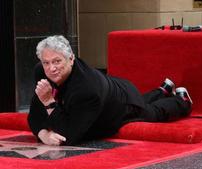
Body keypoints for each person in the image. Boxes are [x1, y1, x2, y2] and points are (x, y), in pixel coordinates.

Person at [28, 35, 192, 146]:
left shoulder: (87, 90)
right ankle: (161, 91)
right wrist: (43, 134)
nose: (51, 68)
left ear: (71, 59)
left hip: (122, 102)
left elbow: (70, 135)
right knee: (144, 100)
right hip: (106, 90)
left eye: (57, 61)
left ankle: (182, 102)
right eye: (46, 62)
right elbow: (35, 115)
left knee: (152, 112)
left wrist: (49, 102)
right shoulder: (40, 71)